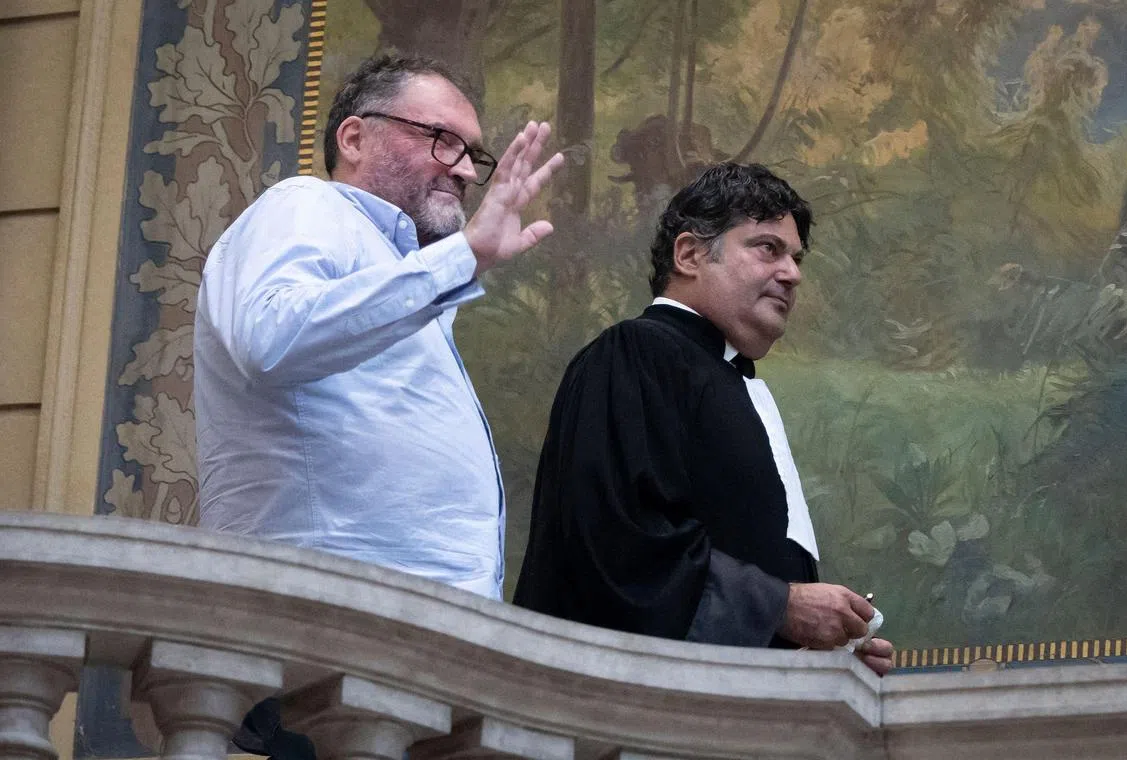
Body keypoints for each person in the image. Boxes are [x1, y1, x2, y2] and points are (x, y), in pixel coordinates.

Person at [195, 53, 563, 603]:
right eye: (442, 139)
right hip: (317, 620)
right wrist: (460, 258)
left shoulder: (409, 274)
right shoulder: (306, 204)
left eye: (471, 154)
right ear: (353, 139)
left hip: (414, 628)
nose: (464, 170)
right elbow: (270, 339)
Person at [513, 163, 893, 676]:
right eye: (767, 248)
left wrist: (825, 658)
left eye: (796, 258)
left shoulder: (729, 378)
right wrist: (779, 607)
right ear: (690, 254)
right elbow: (618, 543)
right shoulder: (634, 353)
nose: (792, 273)